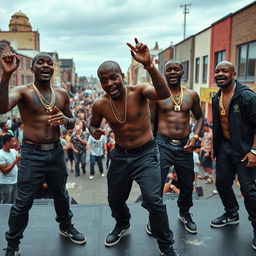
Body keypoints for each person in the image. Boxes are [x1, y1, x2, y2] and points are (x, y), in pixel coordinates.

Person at [89, 38, 177, 256]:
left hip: (146, 153)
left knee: (153, 201)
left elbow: (164, 93)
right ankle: (122, 224)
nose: (109, 83)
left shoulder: (139, 91)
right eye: (104, 80)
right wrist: (94, 132)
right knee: (114, 199)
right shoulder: (100, 104)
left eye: (113, 78)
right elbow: (92, 125)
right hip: (119, 156)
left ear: (122, 77)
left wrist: (149, 65)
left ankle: (166, 246)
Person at [0, 52, 86, 256]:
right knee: (23, 201)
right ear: (33, 68)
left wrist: (66, 120)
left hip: (55, 151)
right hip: (31, 153)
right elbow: (2, 107)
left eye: (49, 63)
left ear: (53, 68)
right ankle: (13, 244)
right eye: (41, 62)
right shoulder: (23, 91)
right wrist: (6, 75)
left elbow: (73, 122)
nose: (46, 65)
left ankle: (66, 226)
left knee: (61, 195)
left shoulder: (62, 93)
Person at [149, 60, 204, 235]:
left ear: (182, 72)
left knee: (187, 184)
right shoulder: (157, 95)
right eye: (169, 70)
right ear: (164, 74)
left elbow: (200, 118)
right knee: (156, 185)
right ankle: (154, 219)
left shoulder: (191, 95)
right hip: (162, 143)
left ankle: (185, 213)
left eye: (176, 69)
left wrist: (195, 136)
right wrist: (151, 146)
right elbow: (151, 122)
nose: (172, 72)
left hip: (185, 146)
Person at [210, 61, 256, 251]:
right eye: (217, 71)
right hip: (224, 148)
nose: (220, 74)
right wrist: (215, 147)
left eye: (224, 71)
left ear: (234, 74)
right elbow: (219, 126)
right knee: (221, 182)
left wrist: (254, 150)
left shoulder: (247, 96)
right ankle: (231, 213)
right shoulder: (216, 97)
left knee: (249, 190)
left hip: (245, 150)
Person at [0, 134, 20, 204]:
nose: (14, 143)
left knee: (14, 202)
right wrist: (15, 161)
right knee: (6, 203)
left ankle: (12, 215)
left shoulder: (14, 151)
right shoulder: (1, 154)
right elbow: (5, 171)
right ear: (7, 142)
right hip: (6, 183)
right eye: (13, 141)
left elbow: (17, 165)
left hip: (15, 181)